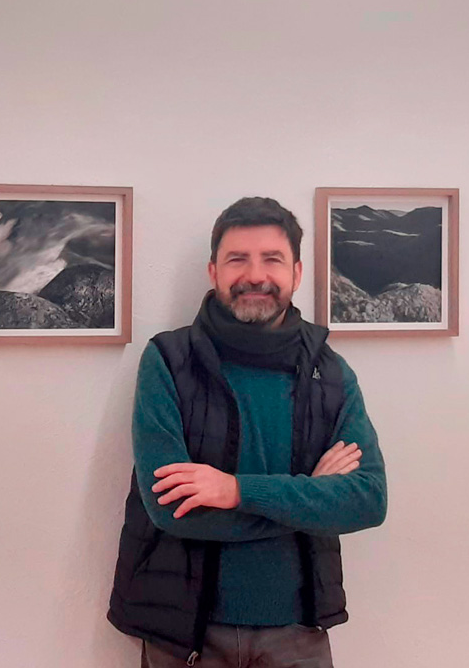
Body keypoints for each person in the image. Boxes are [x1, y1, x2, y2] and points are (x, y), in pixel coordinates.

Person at [107, 197, 387, 667]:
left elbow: (367, 500)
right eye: (238, 258)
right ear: (213, 271)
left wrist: (236, 491)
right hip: (184, 633)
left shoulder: (332, 375)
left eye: (272, 259)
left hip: (299, 632)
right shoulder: (169, 362)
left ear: (297, 273)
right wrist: (311, 498)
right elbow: (171, 510)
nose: (255, 274)